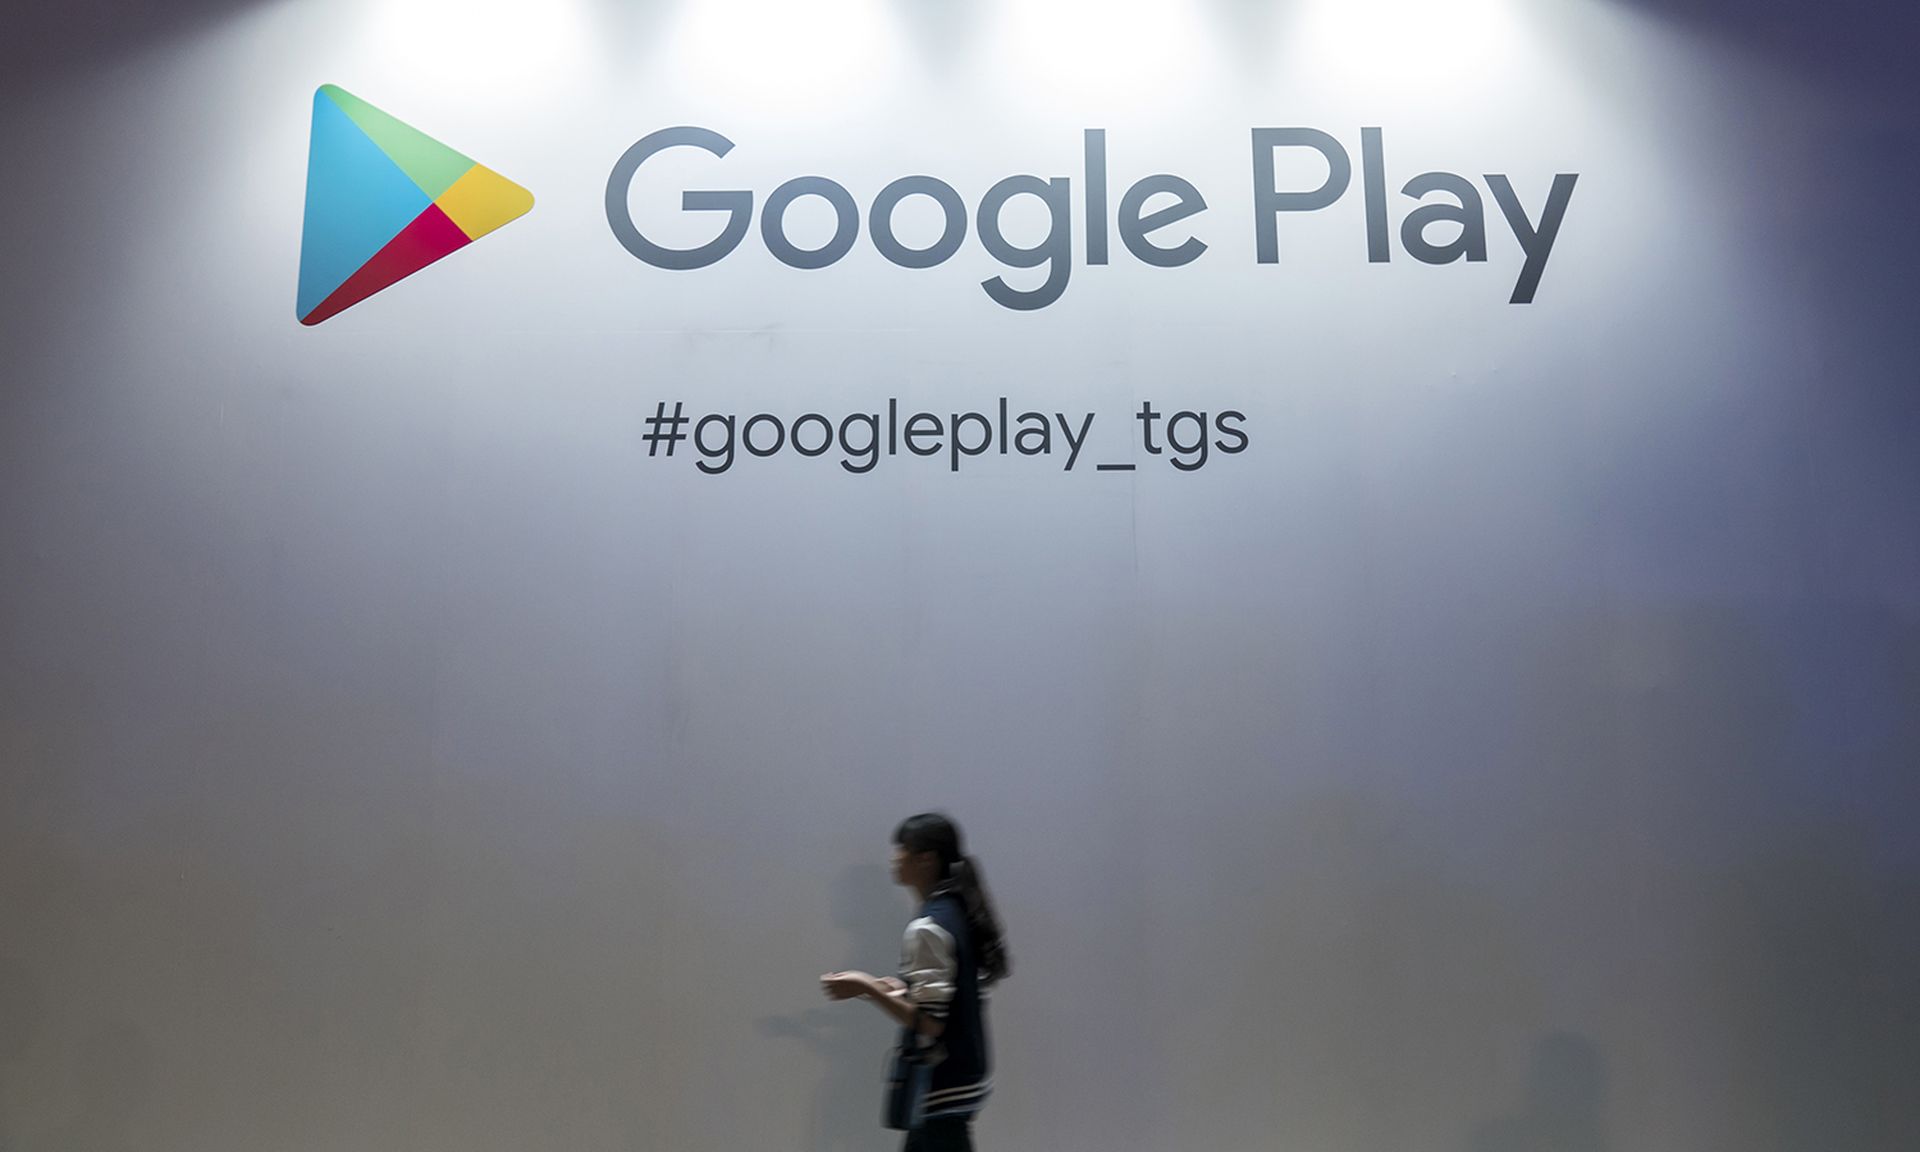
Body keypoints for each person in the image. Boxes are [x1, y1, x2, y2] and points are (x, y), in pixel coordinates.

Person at [822, 813, 1009, 1152]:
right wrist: (894, 989)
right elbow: (949, 995)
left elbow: (930, 1022)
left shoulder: (927, 926)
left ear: (926, 859)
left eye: (902, 849)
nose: (895, 858)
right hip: (962, 1081)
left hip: (940, 1088)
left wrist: (865, 986)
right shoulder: (956, 910)